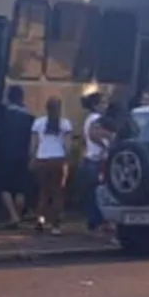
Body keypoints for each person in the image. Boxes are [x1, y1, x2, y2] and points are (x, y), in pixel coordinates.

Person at [0, 86, 34, 228]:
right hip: (23, 155)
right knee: (20, 188)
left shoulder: (0, 115)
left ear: (8, 97)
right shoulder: (29, 118)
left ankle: (13, 216)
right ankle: (18, 215)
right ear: (21, 98)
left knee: (4, 187)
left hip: (4, 155)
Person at [30, 96, 72, 235]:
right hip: (58, 160)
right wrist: (68, 159)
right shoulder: (65, 124)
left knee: (43, 192)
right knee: (57, 193)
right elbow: (67, 145)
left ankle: (40, 221)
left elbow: (33, 145)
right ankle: (56, 225)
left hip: (41, 159)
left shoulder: (38, 123)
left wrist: (32, 159)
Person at [79, 93, 109, 233]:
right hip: (96, 160)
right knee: (98, 192)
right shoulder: (97, 118)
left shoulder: (88, 118)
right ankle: (98, 221)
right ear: (95, 105)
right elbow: (93, 134)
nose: (105, 106)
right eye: (103, 103)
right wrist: (105, 145)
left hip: (88, 159)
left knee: (91, 193)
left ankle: (93, 221)